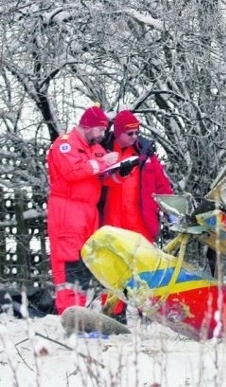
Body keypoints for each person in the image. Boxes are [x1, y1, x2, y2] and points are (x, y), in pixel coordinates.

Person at [46, 105, 120, 314]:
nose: (103, 135)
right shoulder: (65, 145)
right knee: (69, 262)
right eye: (100, 130)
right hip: (67, 209)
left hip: (88, 210)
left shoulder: (93, 147)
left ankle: (78, 312)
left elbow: (104, 177)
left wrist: (119, 172)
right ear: (88, 126)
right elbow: (73, 172)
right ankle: (70, 312)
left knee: (84, 261)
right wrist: (101, 163)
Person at [101, 110, 173, 243]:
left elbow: (162, 185)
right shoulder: (104, 151)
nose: (134, 136)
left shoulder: (145, 154)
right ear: (118, 132)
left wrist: (171, 212)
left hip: (141, 224)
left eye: (137, 133)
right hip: (111, 224)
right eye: (130, 133)